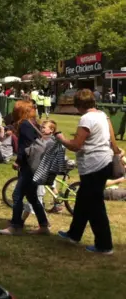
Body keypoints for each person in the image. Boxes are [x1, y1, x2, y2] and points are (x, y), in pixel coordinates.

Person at [56, 89, 116, 255]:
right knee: (83, 200)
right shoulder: (102, 115)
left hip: (94, 165)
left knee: (95, 206)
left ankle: (104, 245)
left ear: (78, 104)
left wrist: (61, 138)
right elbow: (111, 139)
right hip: (103, 162)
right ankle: (74, 235)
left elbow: (76, 145)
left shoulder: (86, 118)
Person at [0, 100, 49, 236]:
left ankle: (15, 226)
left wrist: (18, 162)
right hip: (37, 165)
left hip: (29, 167)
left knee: (17, 195)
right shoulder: (33, 123)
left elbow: (26, 148)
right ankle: (43, 225)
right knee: (32, 196)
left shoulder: (25, 125)